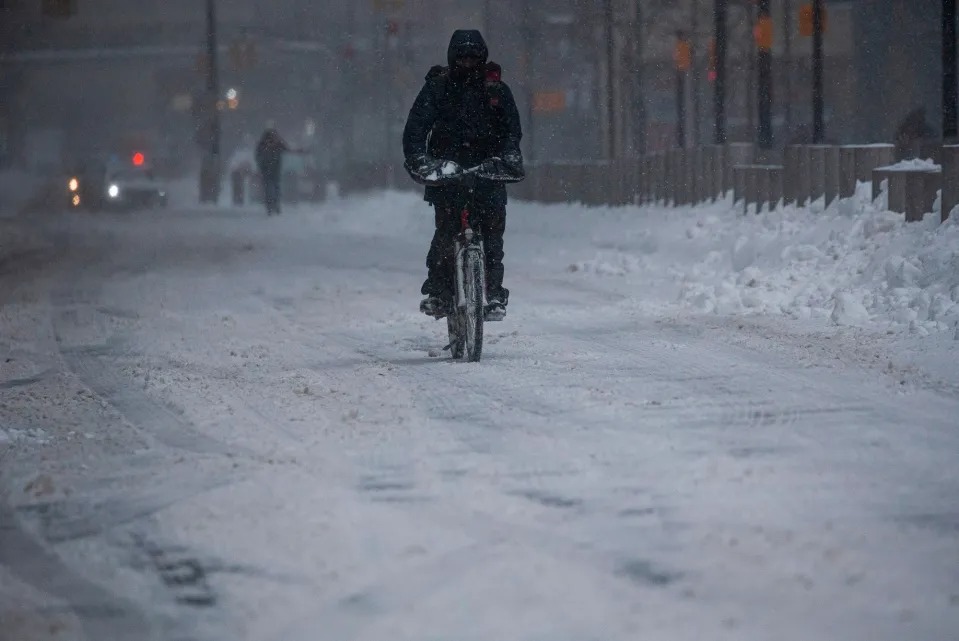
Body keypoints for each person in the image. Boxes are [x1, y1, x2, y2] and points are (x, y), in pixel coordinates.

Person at [402, 29, 523, 321]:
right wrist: (421, 160)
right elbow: (416, 129)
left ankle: (493, 294)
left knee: (493, 235)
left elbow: (512, 132)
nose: (468, 63)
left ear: (482, 58)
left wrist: (507, 157)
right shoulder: (437, 88)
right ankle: (440, 293)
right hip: (447, 174)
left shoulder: (497, 91)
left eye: (474, 58)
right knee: (446, 232)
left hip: (488, 171)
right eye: (462, 58)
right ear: (452, 58)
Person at [255, 126, 293, 215]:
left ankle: (271, 206)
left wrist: (260, 164)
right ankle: (275, 205)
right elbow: (286, 148)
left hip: (267, 169)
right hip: (274, 168)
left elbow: (257, 155)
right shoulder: (277, 143)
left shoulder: (262, 144)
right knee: (275, 187)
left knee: (269, 188)